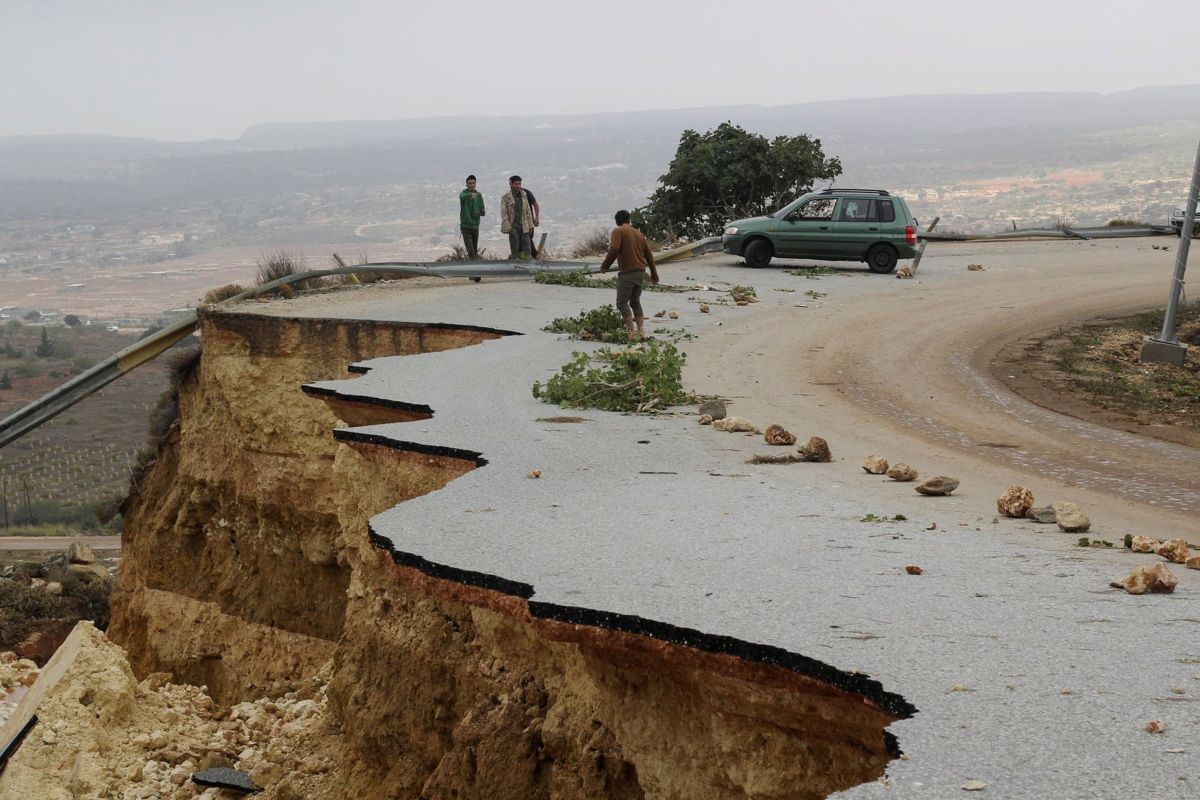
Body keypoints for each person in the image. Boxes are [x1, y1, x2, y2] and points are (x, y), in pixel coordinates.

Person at [598, 209, 659, 339]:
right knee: (635, 301)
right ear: (629, 220)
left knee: (621, 303)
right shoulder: (638, 233)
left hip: (628, 273)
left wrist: (605, 266)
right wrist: (654, 273)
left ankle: (631, 332)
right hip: (640, 272)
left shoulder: (618, 231)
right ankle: (641, 331)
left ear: (617, 221)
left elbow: (614, 248)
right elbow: (649, 255)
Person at [500, 175, 535, 258]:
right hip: (513, 227)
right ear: (511, 184)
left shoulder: (524, 195)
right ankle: (514, 268)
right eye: (516, 184)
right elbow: (504, 213)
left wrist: (530, 225)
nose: (518, 186)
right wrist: (509, 228)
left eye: (519, 184)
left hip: (524, 227)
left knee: (527, 251)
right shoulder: (506, 197)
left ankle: (528, 269)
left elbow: (528, 212)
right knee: (515, 251)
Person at [458, 175, 485, 260]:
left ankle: (474, 265)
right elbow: (462, 197)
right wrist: (471, 195)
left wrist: (481, 212)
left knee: (474, 248)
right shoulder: (464, 194)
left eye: (473, 183)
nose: (472, 185)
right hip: (466, 226)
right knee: (470, 249)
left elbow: (482, 208)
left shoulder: (479, 195)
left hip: (475, 226)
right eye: (470, 183)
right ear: (466, 184)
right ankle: (472, 265)